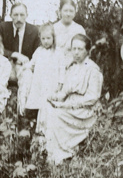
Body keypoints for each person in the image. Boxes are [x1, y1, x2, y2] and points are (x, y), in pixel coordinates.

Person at [44, 34, 103, 164]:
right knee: (47, 108)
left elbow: (92, 97)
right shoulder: (73, 67)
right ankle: (52, 152)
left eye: (80, 49)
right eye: (73, 49)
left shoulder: (92, 69)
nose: (76, 53)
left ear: (87, 50)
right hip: (70, 105)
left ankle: (63, 153)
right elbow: (65, 91)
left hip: (84, 111)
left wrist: (68, 105)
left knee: (56, 114)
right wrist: (54, 97)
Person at [18, 23, 65, 134]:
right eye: (43, 38)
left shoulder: (58, 52)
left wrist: (60, 84)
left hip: (52, 84)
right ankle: (35, 127)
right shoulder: (39, 51)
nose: (46, 41)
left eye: (48, 38)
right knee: (40, 104)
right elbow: (32, 64)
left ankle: (44, 130)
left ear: (53, 38)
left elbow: (62, 69)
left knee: (47, 105)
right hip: (40, 83)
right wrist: (24, 68)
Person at [0, 2, 40, 82]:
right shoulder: (2, 27)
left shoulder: (34, 31)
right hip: (7, 65)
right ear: (10, 15)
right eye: (15, 15)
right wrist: (15, 54)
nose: (19, 19)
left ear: (27, 15)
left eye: (22, 15)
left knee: (27, 79)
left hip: (25, 66)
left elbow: (38, 53)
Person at [53, 0, 86, 65]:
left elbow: (83, 51)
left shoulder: (79, 29)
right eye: (65, 11)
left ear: (74, 13)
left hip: (74, 64)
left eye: (71, 11)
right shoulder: (53, 28)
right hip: (55, 64)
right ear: (60, 11)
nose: (68, 14)